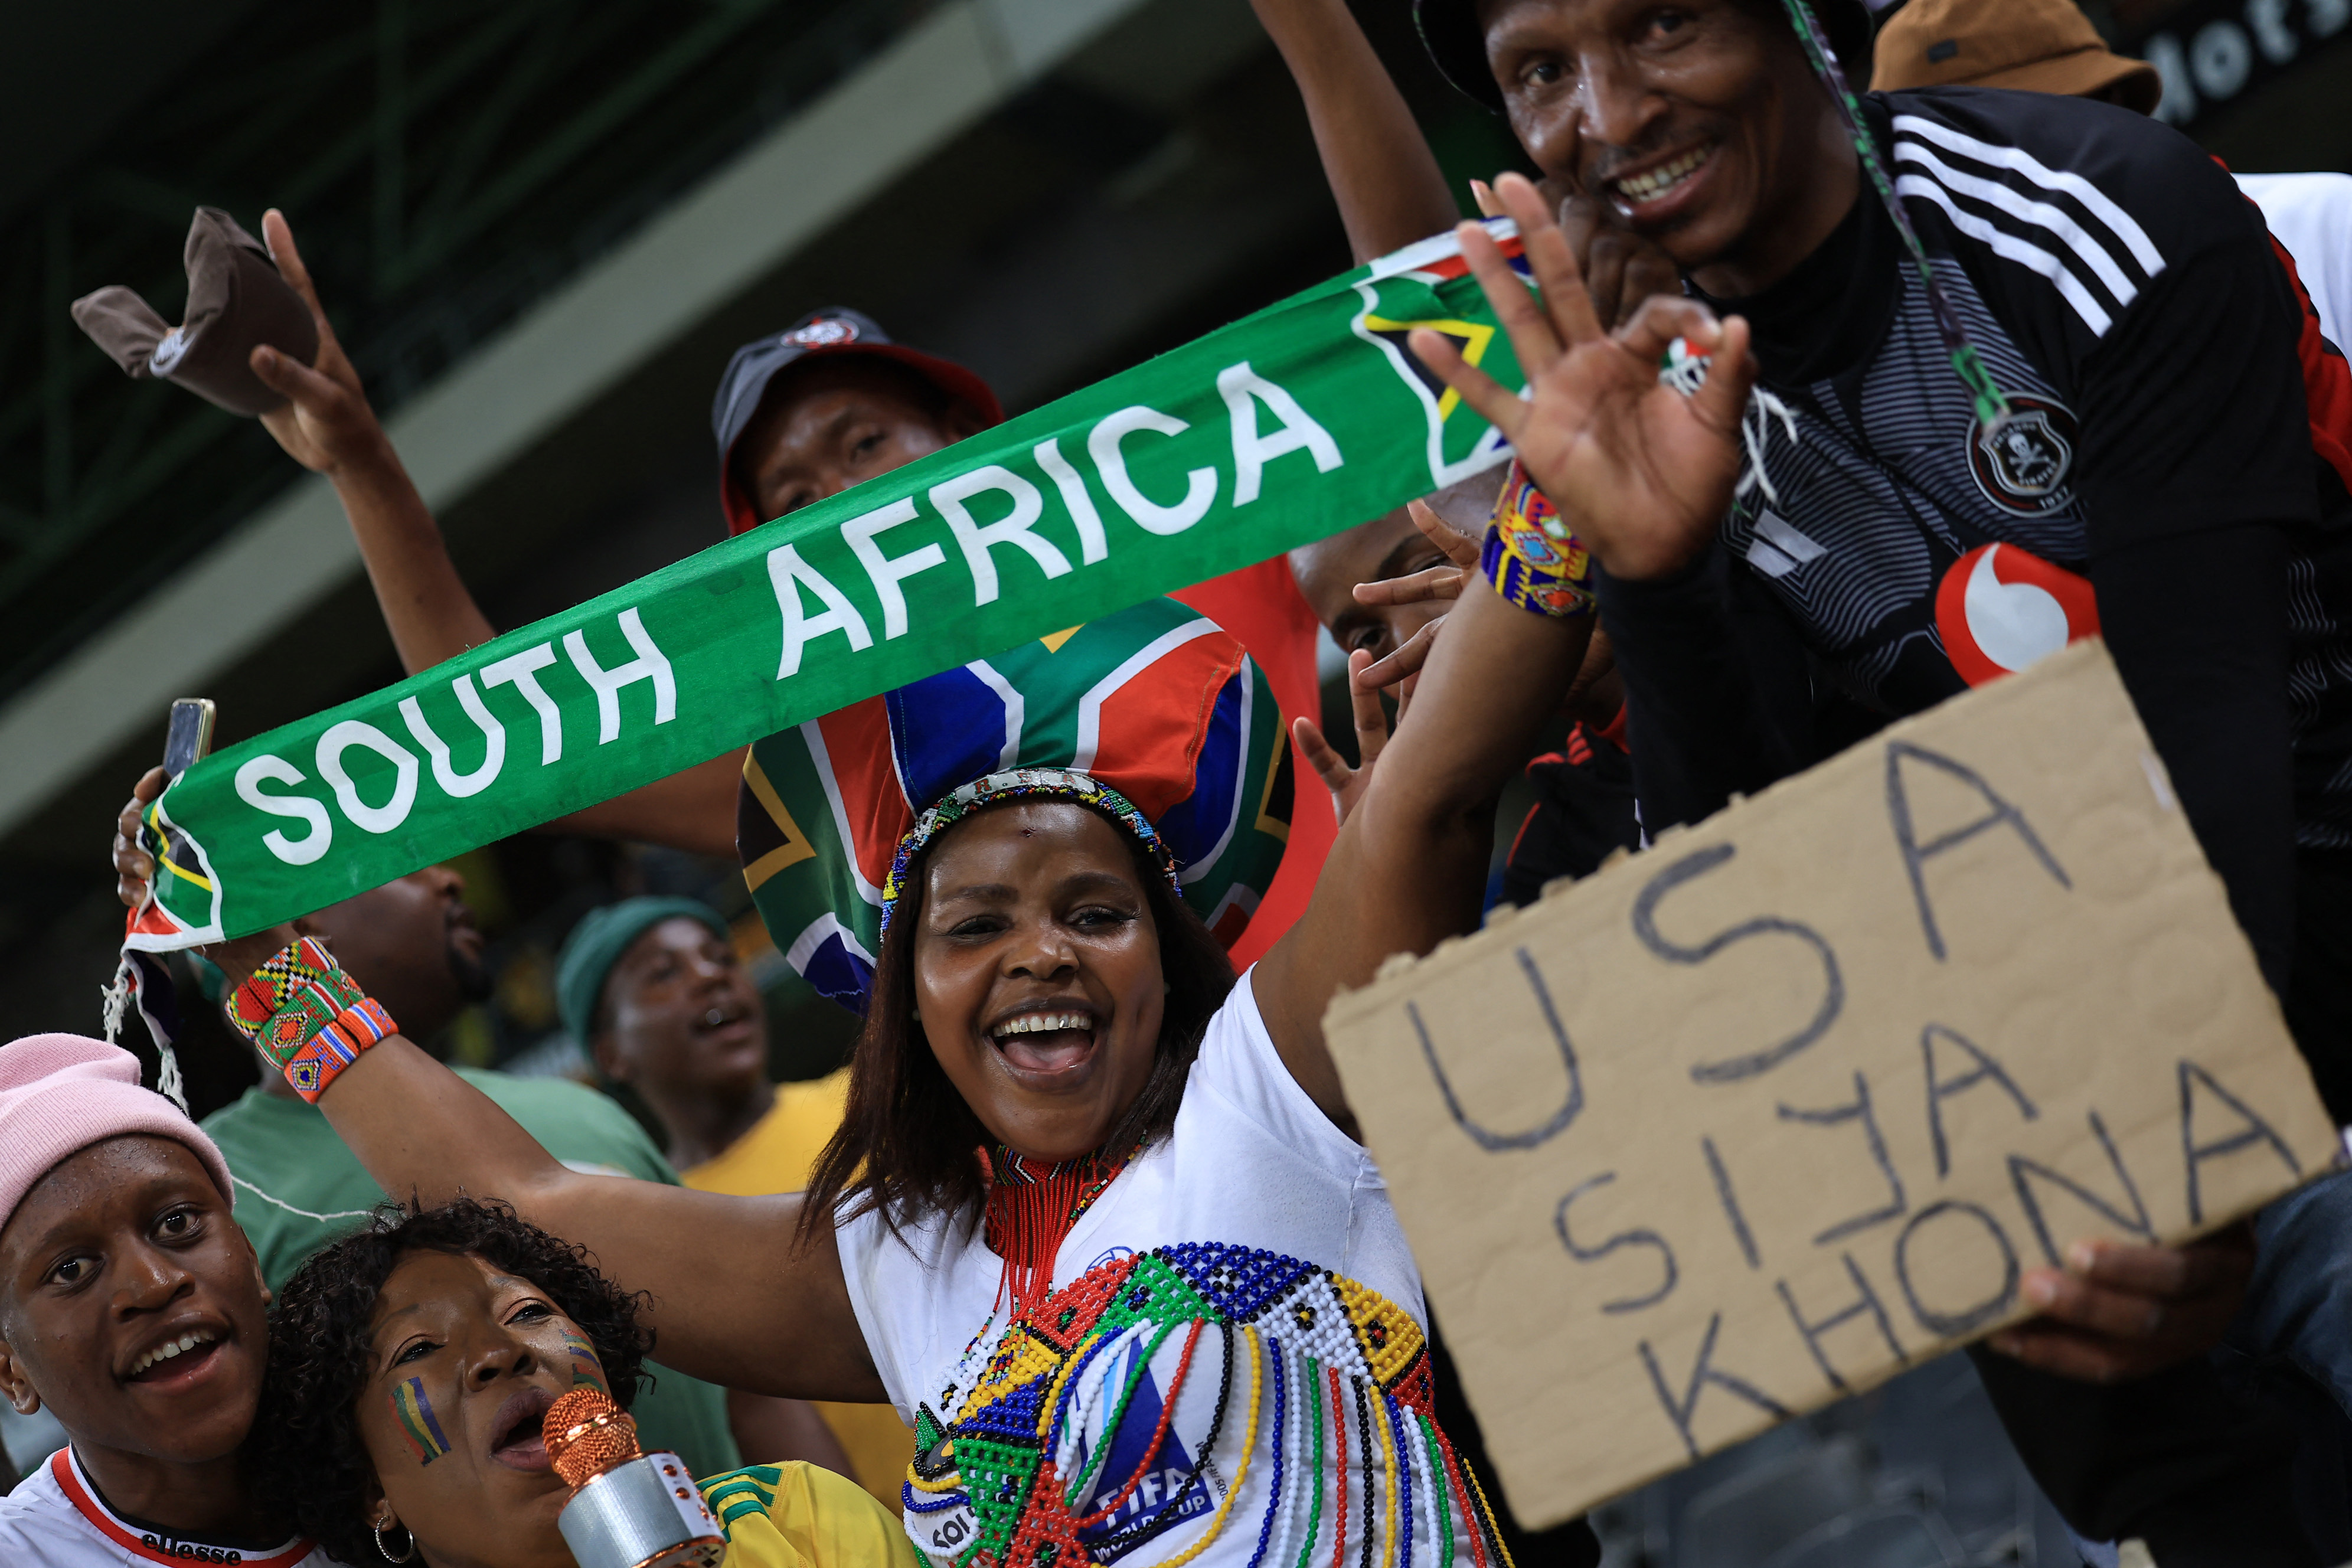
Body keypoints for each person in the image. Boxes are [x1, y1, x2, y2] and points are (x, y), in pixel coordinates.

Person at [119, 540, 1616, 1568]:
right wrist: (255, 959)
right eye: (973, 927)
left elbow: (1420, 806)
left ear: (1165, 962)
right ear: (906, 1002)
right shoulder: (902, 1265)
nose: (1038, 951)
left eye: (1094, 912)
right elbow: (530, 1199)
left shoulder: (1269, 1098)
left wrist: (1551, 502)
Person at [1403, 0, 2351, 1549]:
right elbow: (1749, 889)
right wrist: (1654, 568)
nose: (1610, 114)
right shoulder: (1655, 380)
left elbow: (2219, 744)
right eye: (1539, 76)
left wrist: (2190, 1165)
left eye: (1655, 25)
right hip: (2075, 955)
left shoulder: (2090, 211)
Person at [241, 224, 1334, 970]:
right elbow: (506, 734)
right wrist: (360, 466)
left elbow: (1424, 328)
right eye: (793, 501)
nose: (841, 502)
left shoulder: (1185, 540)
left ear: (966, 444)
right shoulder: (832, 775)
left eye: (864, 444)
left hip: (1395, 1046)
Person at [197, 863, 819, 1479]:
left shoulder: (579, 1107)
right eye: (406, 864)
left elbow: (744, 1384)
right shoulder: (214, 1190)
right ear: (301, 925)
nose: (451, 879)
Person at [250, 1195, 913, 1568]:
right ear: (371, 1492)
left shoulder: (792, 1519)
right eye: (418, 1348)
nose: (500, 1353)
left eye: (528, 1313)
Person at [556, 895, 910, 1501]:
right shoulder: (651, 1228)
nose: (711, 975)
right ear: (610, 1050)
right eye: (664, 973)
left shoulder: (878, 1097)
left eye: (720, 957)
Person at [0, 1032, 334, 1565]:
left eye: (176, 1222)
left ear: (249, 1257)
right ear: (10, 1369)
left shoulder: (400, 1453)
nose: (155, 1284)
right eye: (72, 1270)